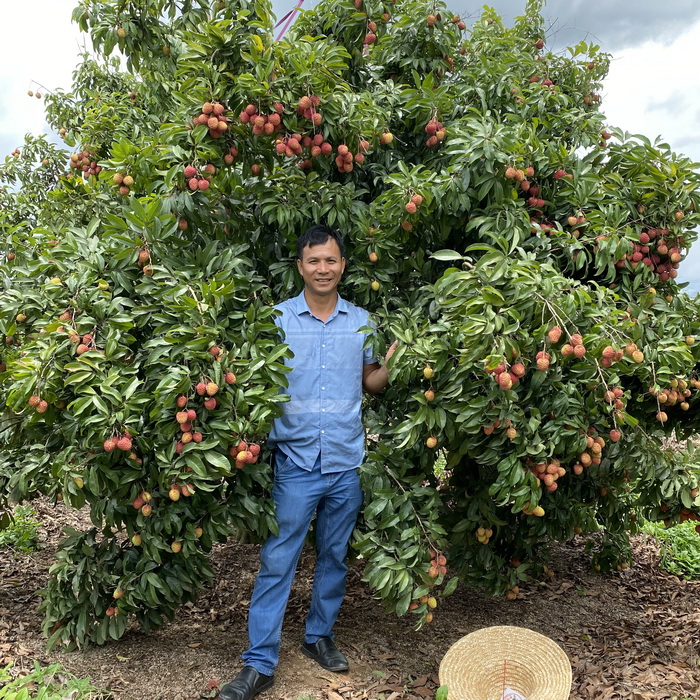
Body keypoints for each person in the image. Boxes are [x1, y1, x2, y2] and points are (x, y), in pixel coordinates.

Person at [219, 224, 397, 700]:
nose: (323, 268)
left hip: (345, 461)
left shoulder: (362, 321)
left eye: (331, 260)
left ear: (343, 266)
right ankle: (259, 663)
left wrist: (393, 363)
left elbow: (370, 383)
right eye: (314, 260)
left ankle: (319, 636)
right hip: (295, 463)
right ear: (300, 266)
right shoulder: (276, 321)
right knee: (278, 561)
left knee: (335, 557)